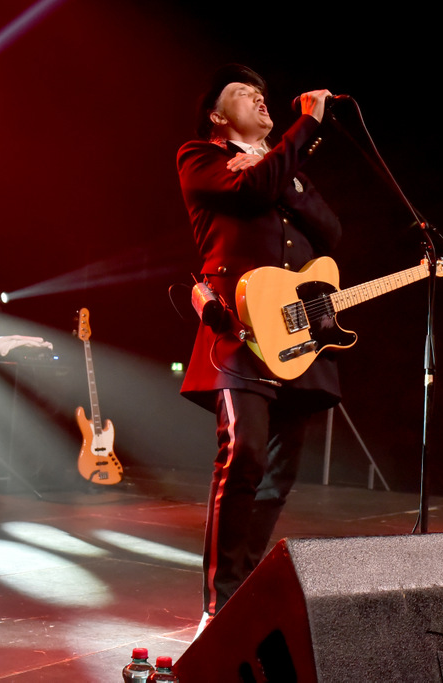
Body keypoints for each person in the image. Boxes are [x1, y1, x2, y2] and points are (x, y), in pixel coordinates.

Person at [176, 64, 342, 634]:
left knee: (278, 473)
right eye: (243, 94)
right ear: (220, 117)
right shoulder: (200, 157)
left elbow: (331, 231)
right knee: (244, 452)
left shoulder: (282, 168)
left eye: (262, 91)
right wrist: (303, 130)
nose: (260, 96)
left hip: (297, 333)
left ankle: (243, 593)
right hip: (240, 330)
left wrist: (280, 171)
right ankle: (217, 606)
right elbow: (248, 191)